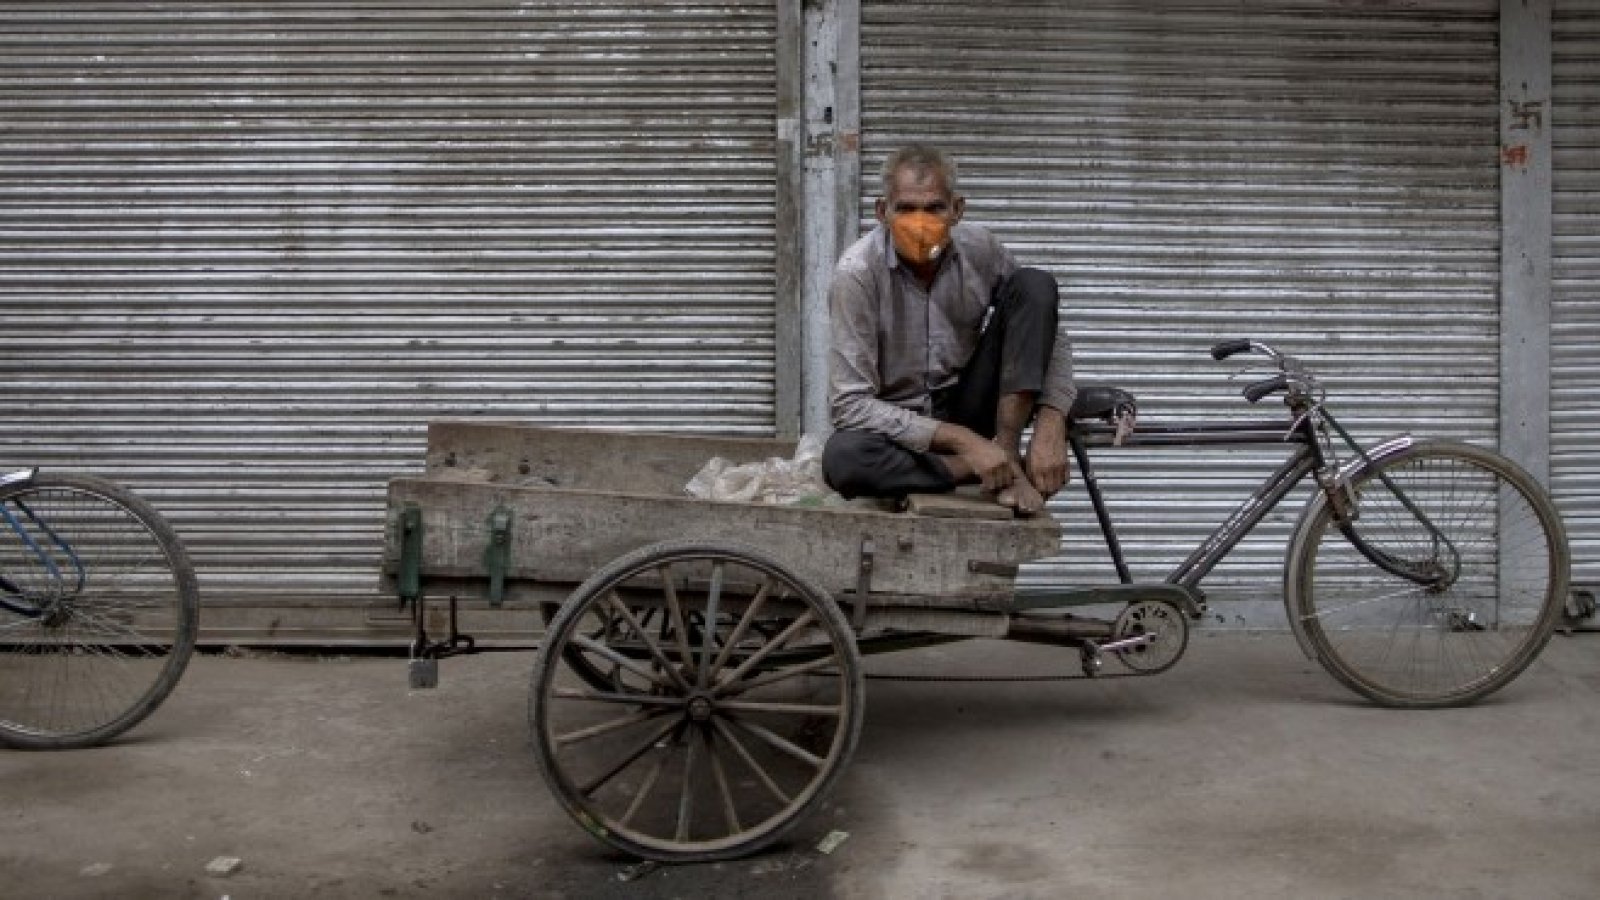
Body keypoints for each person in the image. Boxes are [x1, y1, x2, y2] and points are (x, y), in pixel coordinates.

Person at [822, 144, 1076, 516]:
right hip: (901, 429)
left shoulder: (981, 249)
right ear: (882, 212)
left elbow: (1044, 327)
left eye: (934, 208)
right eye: (905, 208)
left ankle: (1005, 452)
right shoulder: (857, 274)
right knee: (844, 458)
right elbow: (849, 404)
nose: (920, 222)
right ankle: (983, 468)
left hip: (966, 402)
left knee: (1035, 285)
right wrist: (966, 444)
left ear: (957, 210)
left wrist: (1052, 421)